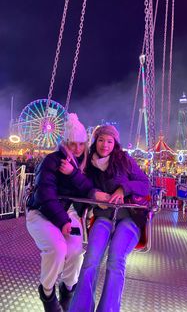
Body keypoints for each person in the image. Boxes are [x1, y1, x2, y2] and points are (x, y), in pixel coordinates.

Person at [69, 125, 150, 312]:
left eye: (109, 141)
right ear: (95, 141)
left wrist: (124, 188)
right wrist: (95, 194)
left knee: (116, 259)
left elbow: (145, 184)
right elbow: (81, 187)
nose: (105, 145)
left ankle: (108, 309)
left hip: (128, 217)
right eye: (101, 140)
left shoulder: (125, 161)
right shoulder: (88, 165)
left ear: (115, 144)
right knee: (91, 259)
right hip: (103, 216)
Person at [26, 113, 93, 312]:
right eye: (73, 144)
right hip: (41, 213)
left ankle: (68, 289)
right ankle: (47, 292)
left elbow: (89, 188)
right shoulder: (52, 161)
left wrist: (72, 173)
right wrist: (62, 220)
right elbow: (45, 193)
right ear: (65, 142)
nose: (78, 149)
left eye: (81, 144)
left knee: (75, 252)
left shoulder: (83, 165)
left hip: (68, 214)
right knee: (57, 249)